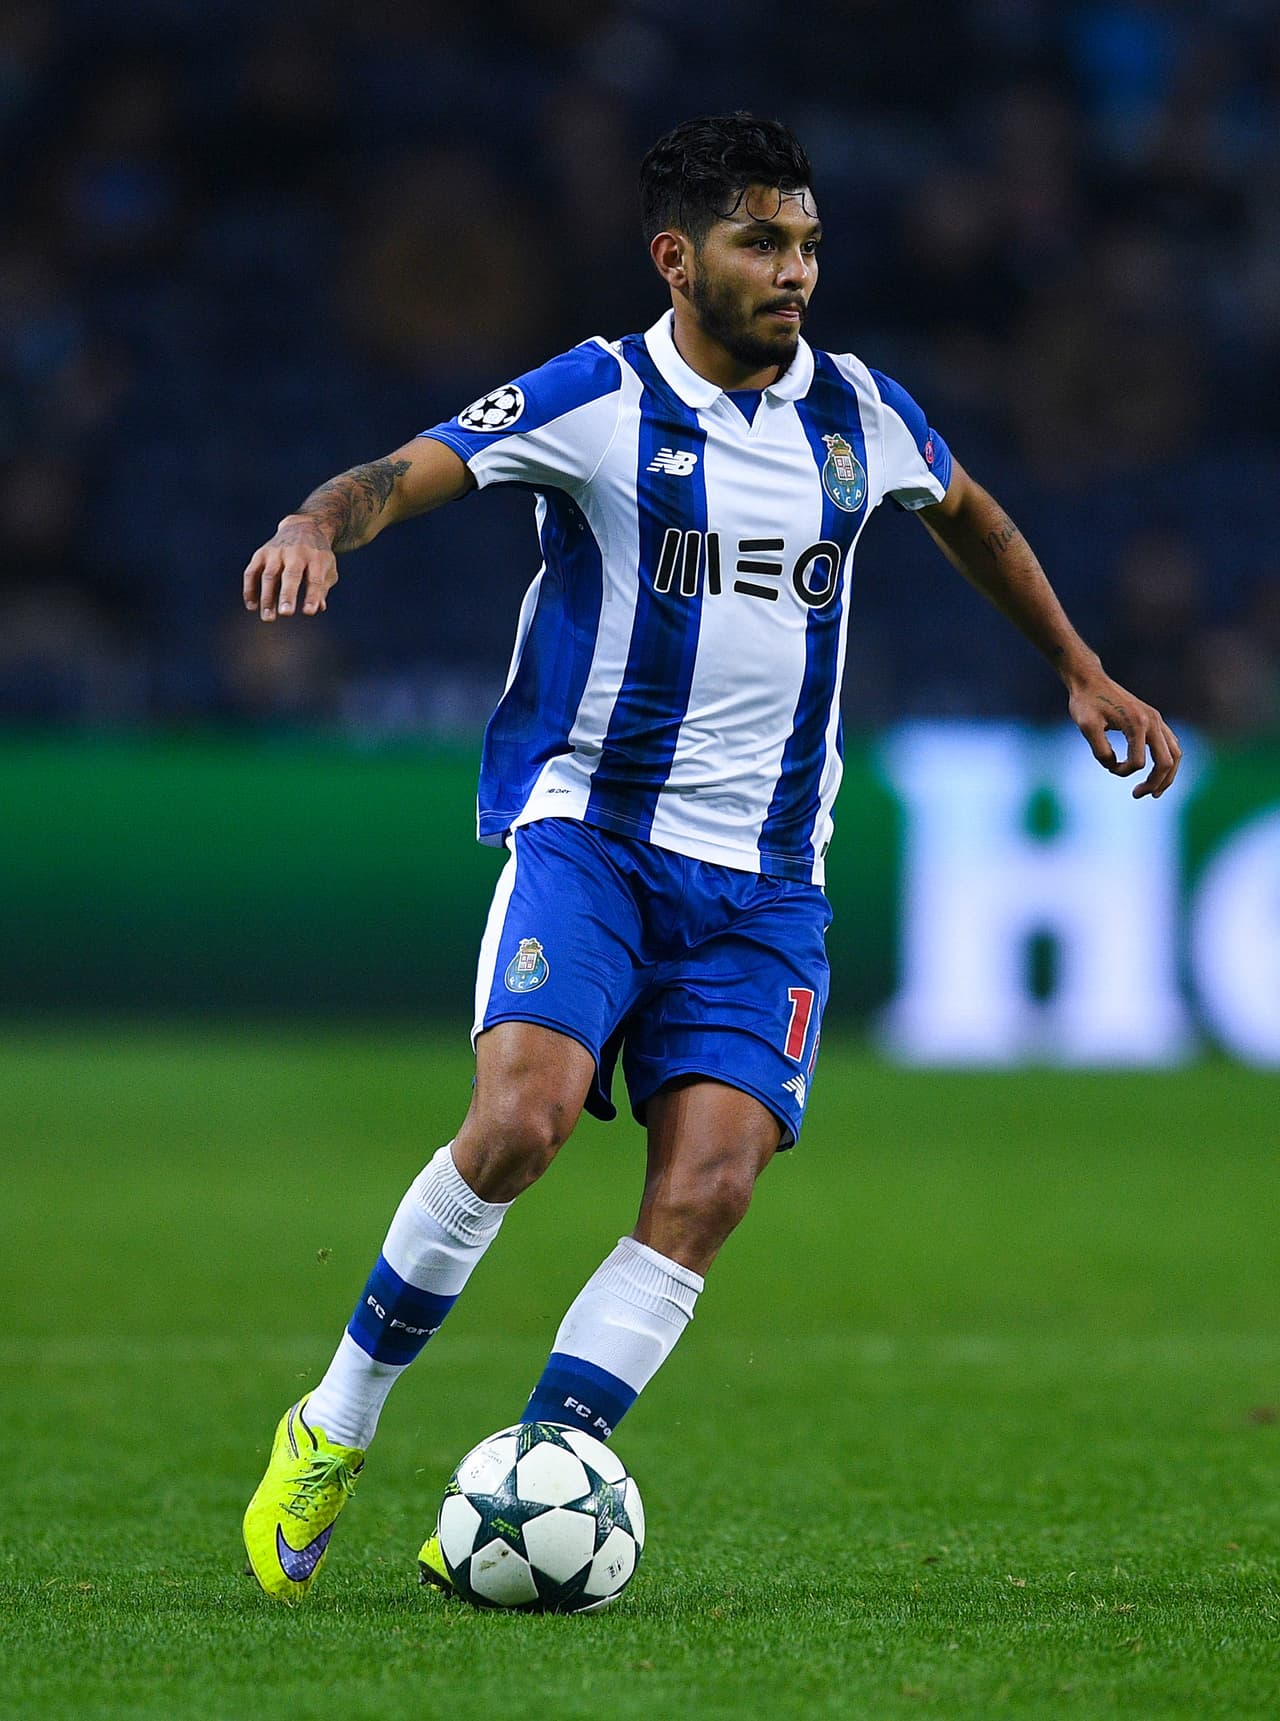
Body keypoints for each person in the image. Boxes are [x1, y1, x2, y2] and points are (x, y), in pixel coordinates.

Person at [239, 112, 1182, 1602]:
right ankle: (333, 1424)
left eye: (806, 241)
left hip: (766, 885)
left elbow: (970, 513)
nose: (796, 270)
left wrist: (1077, 664)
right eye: (762, 241)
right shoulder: (599, 397)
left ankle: (537, 1473)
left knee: (713, 1182)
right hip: (595, 837)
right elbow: (404, 471)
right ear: (678, 258)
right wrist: (314, 522)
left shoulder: (859, 411)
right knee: (522, 1122)